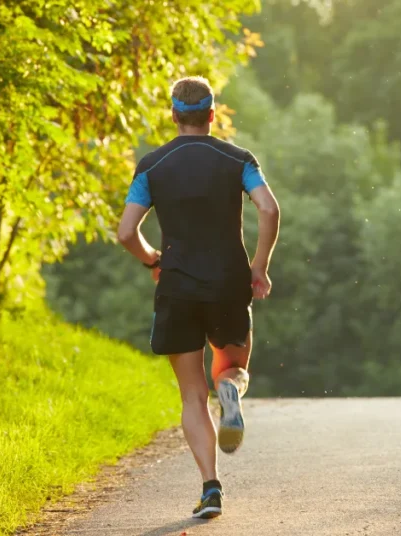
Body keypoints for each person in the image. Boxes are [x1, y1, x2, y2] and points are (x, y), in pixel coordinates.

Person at [116, 76, 280, 519]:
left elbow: (126, 232)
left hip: (178, 288)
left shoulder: (152, 166)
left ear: (173, 114)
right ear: (211, 114)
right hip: (228, 282)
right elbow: (268, 208)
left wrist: (153, 260)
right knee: (232, 367)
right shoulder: (238, 159)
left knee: (191, 395)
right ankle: (230, 390)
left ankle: (211, 489)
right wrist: (259, 268)